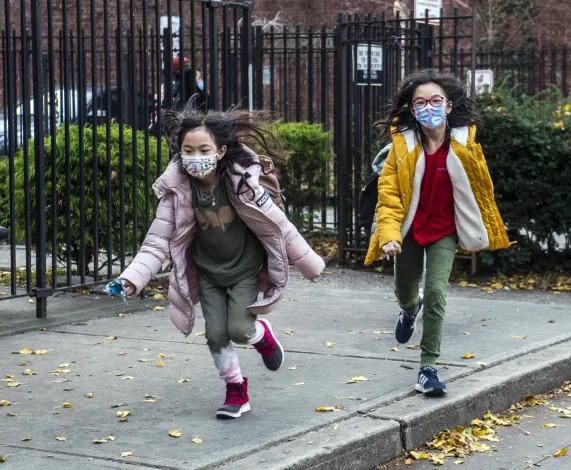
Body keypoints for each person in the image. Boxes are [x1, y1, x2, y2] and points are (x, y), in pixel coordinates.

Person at [116, 100, 325, 419]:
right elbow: (157, 240)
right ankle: (236, 391)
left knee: (240, 330)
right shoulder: (178, 191)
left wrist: (309, 263)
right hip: (209, 273)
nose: (195, 158)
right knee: (215, 334)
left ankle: (262, 336)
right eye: (188, 151)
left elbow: (278, 225)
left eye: (203, 150)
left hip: (244, 271)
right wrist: (133, 278)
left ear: (221, 151)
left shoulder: (242, 184)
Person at [365, 69, 510, 396]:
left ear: (447, 106)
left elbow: (481, 191)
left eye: (435, 101)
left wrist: (478, 228)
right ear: (412, 109)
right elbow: (388, 198)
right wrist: (389, 235)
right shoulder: (402, 149)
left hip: (445, 231)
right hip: (410, 232)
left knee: (436, 294)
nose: (428, 107)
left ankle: (427, 368)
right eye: (420, 102)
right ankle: (407, 309)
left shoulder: (464, 146)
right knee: (407, 291)